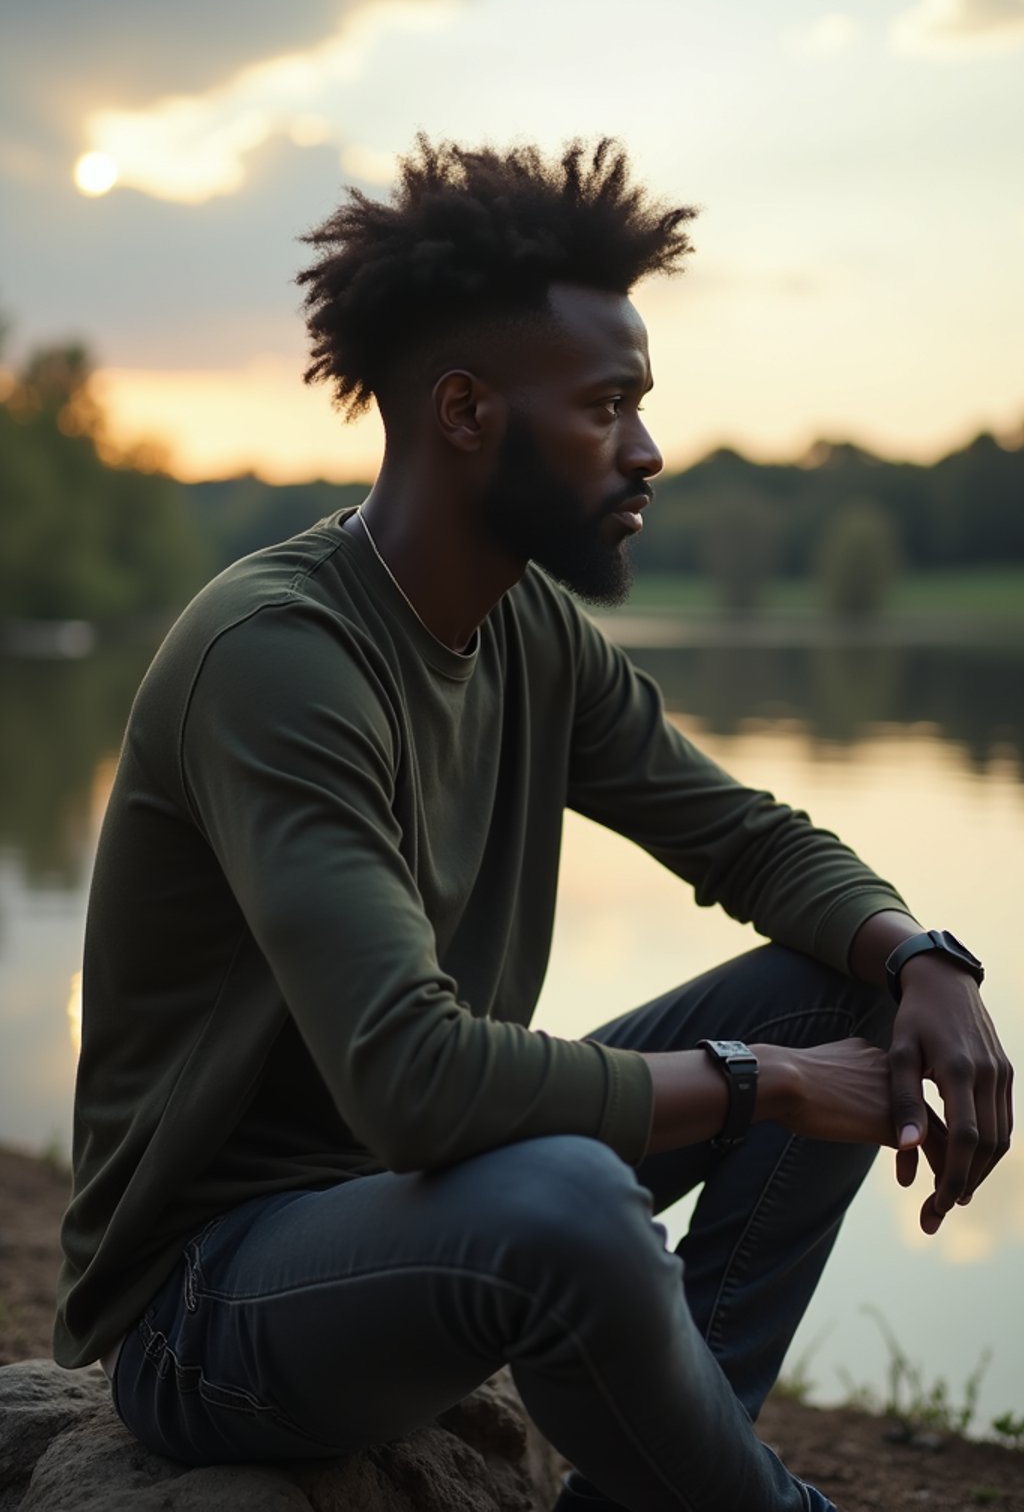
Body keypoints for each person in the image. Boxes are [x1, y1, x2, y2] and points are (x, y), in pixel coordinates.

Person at [56, 138, 1012, 1512]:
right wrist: (768, 1085)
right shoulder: (278, 658)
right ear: (465, 412)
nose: (649, 448)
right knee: (576, 1199)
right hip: (206, 1310)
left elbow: (745, 837)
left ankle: (657, 1488)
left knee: (838, 993)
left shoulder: (528, 631)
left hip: (426, 1210)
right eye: (608, 404)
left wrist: (923, 960)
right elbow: (413, 1078)